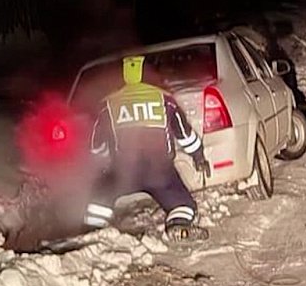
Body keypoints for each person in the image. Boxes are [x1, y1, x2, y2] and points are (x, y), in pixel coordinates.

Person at [82, 55, 211, 241]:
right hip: (160, 173)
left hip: (123, 172)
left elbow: (96, 147)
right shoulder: (165, 100)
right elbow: (185, 135)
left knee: (99, 201)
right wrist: (199, 157)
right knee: (184, 205)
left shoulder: (108, 105)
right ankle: (178, 225)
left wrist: (100, 170)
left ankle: (92, 235)